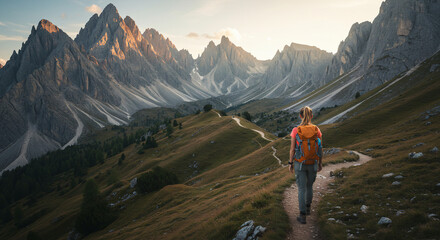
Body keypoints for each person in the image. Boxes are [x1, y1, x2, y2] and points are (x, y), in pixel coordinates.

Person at [288, 106, 323, 224]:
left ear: (300, 116)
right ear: (311, 116)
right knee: (309, 186)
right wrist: (320, 163)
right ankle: (308, 208)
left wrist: (290, 163)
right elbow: (320, 148)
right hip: (313, 162)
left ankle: (302, 215)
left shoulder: (295, 130)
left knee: (301, 188)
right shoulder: (316, 129)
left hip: (300, 164)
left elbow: (292, 150)